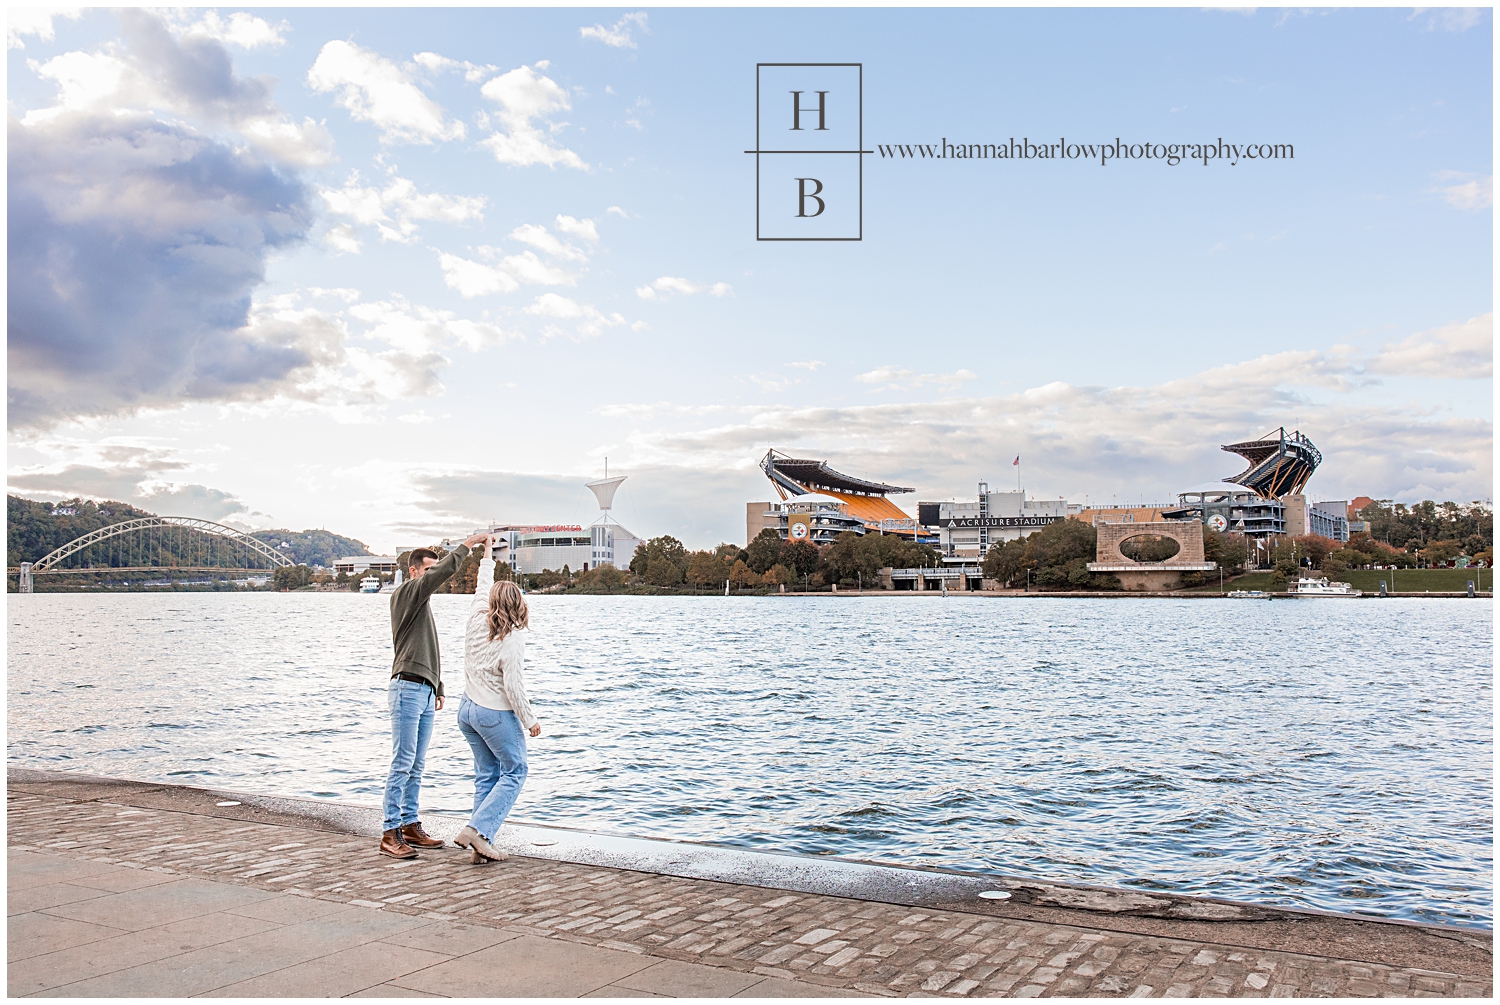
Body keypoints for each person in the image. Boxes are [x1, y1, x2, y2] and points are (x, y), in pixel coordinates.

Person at [380, 532, 487, 859]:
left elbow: (428, 647)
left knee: (416, 763)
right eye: (428, 571)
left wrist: (437, 686)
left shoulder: (421, 604)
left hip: (423, 689)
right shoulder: (407, 594)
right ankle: (389, 832)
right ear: (414, 572)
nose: (432, 577)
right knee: (402, 761)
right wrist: (468, 545)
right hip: (406, 687)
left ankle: (410, 824)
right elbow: (442, 573)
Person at [452, 536, 542, 864]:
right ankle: (477, 829)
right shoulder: (513, 638)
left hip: (467, 710)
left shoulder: (477, 616)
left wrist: (487, 553)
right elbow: (514, 687)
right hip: (492, 713)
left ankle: (481, 842)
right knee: (516, 770)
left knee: (487, 774)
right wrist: (529, 721)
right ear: (519, 604)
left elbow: (482, 582)